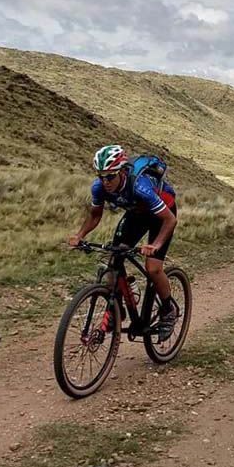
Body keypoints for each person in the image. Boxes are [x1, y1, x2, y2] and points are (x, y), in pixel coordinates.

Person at [68, 145, 179, 338]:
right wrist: (80, 235)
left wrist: (156, 245)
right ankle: (116, 309)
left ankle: (169, 310)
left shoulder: (140, 187)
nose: (105, 181)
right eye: (101, 176)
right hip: (136, 214)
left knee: (153, 268)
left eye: (110, 176)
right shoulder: (99, 188)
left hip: (161, 216)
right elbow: (95, 216)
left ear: (121, 172)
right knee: (114, 260)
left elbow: (170, 220)